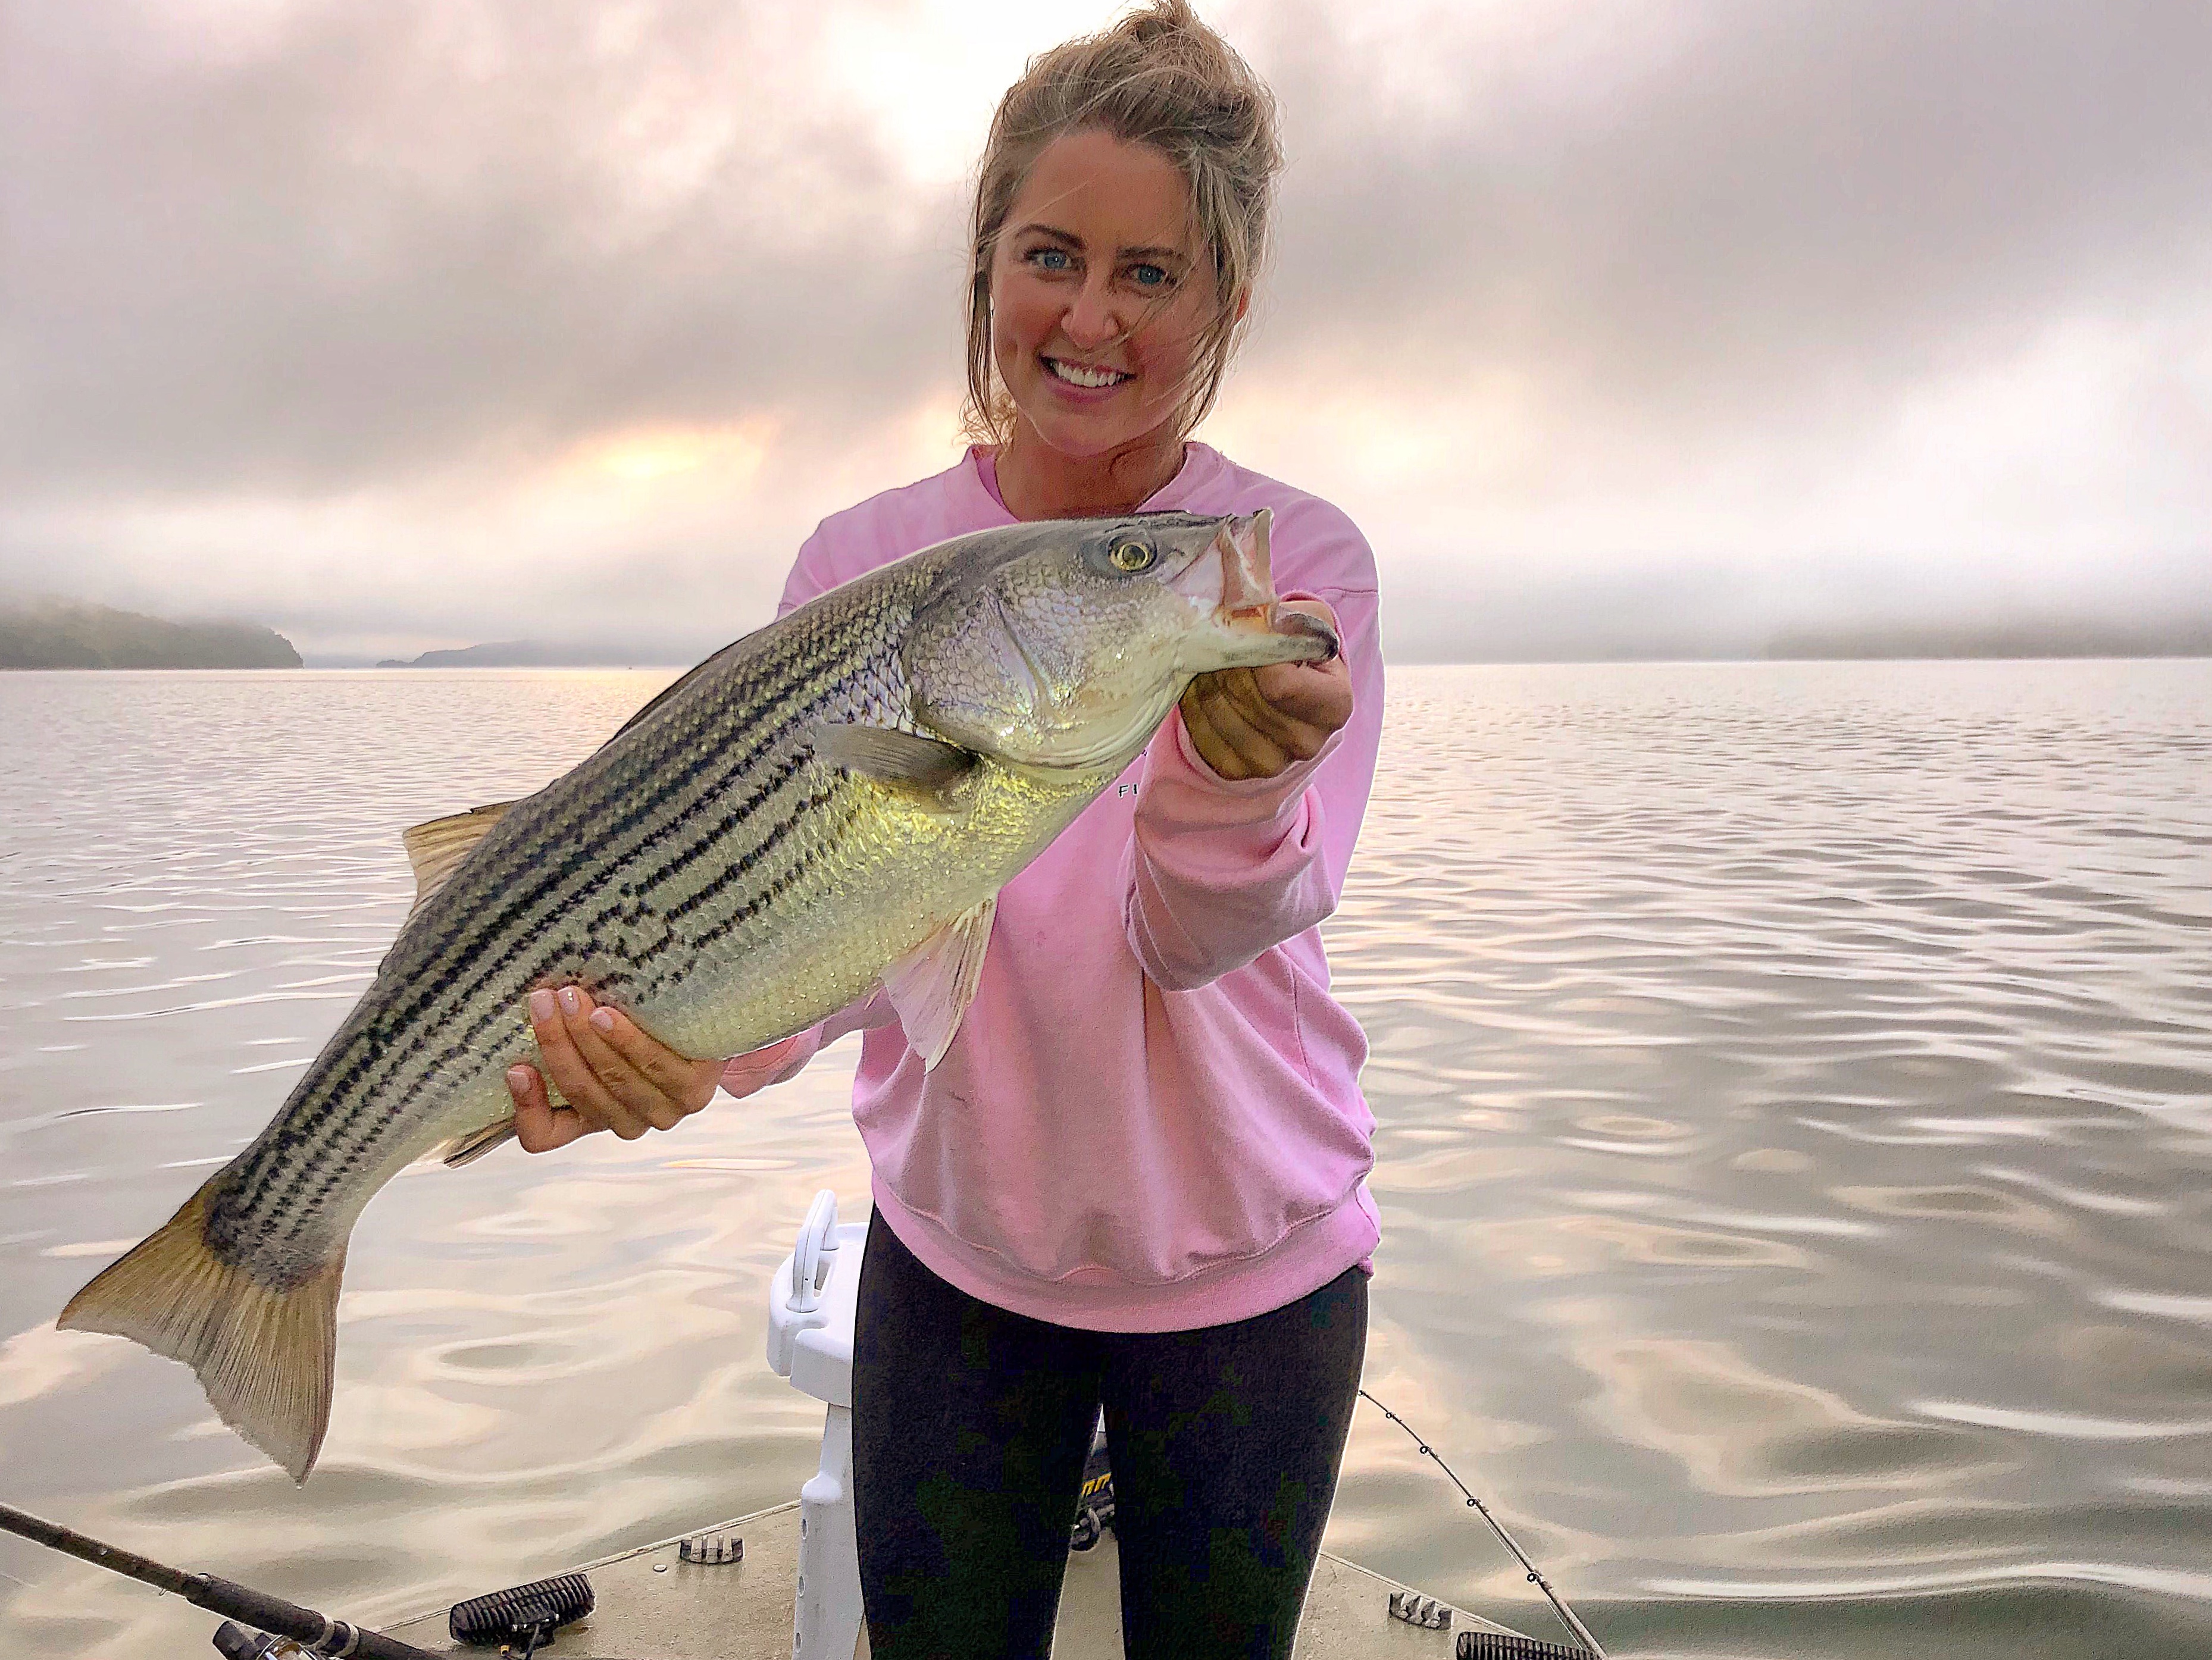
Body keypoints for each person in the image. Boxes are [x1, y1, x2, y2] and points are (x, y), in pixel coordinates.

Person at [502, 5, 1385, 1655]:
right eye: (1052, 253)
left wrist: (1234, 775)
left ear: (1228, 301)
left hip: (1256, 1288)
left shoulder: (1286, 568)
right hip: (958, 1267)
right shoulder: (861, 561)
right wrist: (671, 1049)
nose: (1091, 315)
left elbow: (1196, 937)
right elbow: (816, 925)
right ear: (986, 263)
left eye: (1153, 272)